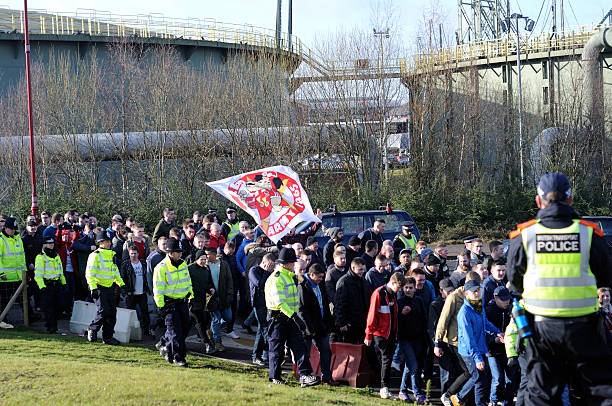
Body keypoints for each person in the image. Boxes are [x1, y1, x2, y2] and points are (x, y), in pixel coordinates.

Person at [506, 172, 612, 405]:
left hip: (542, 331)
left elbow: (514, 282)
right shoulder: (589, 234)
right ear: (570, 200)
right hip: (585, 329)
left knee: (542, 396)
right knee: (600, 392)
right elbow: (606, 277)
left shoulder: (525, 236)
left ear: (538, 201)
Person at [265, 247, 320, 387]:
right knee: (276, 350)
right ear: (285, 264)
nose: (293, 265)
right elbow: (280, 303)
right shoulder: (277, 279)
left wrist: (294, 317)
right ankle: (275, 377)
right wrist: (295, 317)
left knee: (299, 347)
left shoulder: (289, 276)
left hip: (289, 318)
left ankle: (305, 375)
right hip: (278, 319)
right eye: (291, 262)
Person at [452, 279, 503, 406]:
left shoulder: (479, 305)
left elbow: (485, 322)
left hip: (480, 347)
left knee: (480, 379)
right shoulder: (464, 313)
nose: (477, 293)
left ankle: (459, 398)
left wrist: (497, 332)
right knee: (479, 379)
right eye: (474, 291)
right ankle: (461, 398)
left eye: (478, 290)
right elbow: (469, 339)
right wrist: (477, 358)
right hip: (469, 351)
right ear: (466, 294)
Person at [435, 271, 482, 406]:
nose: (477, 291)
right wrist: (437, 342)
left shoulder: (475, 297)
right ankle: (449, 395)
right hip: (456, 340)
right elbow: (443, 320)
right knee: (469, 372)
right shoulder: (454, 297)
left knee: (467, 372)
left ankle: (457, 397)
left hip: (469, 340)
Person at [364, 271, 406, 400]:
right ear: (392, 283)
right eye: (398, 287)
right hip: (380, 332)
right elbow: (371, 315)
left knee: (385, 360)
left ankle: (384, 386)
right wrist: (368, 335)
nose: (399, 290)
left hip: (390, 333)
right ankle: (384, 387)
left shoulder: (393, 294)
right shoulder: (379, 293)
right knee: (386, 359)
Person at [153, 237, 193, 367]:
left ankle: (164, 343)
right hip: (169, 304)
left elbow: (187, 281)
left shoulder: (183, 264)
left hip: (182, 302)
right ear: (170, 253)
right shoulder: (161, 268)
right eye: (177, 252)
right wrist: (161, 306)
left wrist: (190, 294)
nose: (180, 254)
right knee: (175, 332)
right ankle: (178, 357)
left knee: (185, 327)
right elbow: (158, 288)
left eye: (180, 252)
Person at [297, 263, 337, 385]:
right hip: (308, 327)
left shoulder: (319, 285)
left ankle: (326, 377)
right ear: (312, 274)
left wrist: (328, 323)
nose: (321, 279)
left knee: (326, 350)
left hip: (320, 325)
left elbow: (323, 304)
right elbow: (302, 310)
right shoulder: (303, 286)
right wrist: (309, 329)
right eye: (319, 277)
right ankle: (305, 377)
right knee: (306, 353)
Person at [85, 230, 125, 346]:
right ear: (100, 243)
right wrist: (93, 288)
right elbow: (90, 273)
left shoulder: (111, 255)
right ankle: (93, 329)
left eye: (108, 241)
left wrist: (121, 284)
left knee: (112, 313)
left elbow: (115, 272)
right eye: (106, 241)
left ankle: (108, 337)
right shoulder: (95, 256)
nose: (108, 243)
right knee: (103, 311)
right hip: (99, 287)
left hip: (110, 288)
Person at [484, 286, 513, 406]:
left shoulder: (511, 310)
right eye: (503, 299)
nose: (507, 302)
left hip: (508, 350)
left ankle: (507, 402)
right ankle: (493, 400)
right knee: (498, 378)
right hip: (493, 351)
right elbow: (484, 332)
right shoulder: (489, 311)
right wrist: (495, 339)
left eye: (508, 299)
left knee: (510, 379)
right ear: (495, 299)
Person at [334, 257, 371, 344]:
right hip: (350, 324)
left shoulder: (363, 281)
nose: (363, 272)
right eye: (360, 269)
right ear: (353, 268)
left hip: (362, 322)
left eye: (363, 269)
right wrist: (342, 323)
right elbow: (339, 304)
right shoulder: (344, 282)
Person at [204, 246, 234, 351]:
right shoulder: (205, 266)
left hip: (224, 296)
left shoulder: (223, 264)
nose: (206, 257)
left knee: (228, 317)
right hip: (212, 298)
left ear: (214, 254)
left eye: (208, 255)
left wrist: (230, 293)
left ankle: (212, 330)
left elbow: (230, 279)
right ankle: (218, 342)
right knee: (216, 320)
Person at [429, 278, 455, 396]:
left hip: (454, 342)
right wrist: (437, 344)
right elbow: (433, 327)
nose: (450, 293)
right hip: (443, 343)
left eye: (452, 291)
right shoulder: (436, 305)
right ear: (441, 291)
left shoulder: (455, 301)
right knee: (446, 373)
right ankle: (445, 396)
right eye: (448, 291)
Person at [34, 236, 66, 334]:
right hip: (46, 285)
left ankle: (51, 325)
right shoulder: (40, 257)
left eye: (52, 243)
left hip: (57, 284)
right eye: (49, 243)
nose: (51, 245)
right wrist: (42, 286)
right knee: (49, 308)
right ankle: (52, 328)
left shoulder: (56, 256)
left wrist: (63, 282)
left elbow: (60, 271)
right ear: (44, 244)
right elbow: (38, 274)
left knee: (59, 307)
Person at [187, 249, 216, 354]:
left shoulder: (206, 270)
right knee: (200, 323)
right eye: (201, 259)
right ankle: (208, 344)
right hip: (192, 300)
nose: (203, 261)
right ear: (196, 259)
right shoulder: (190, 269)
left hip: (202, 300)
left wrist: (210, 288)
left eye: (205, 259)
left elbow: (208, 283)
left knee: (188, 324)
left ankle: (165, 341)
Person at [249, 252, 275, 365]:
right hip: (259, 303)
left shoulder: (270, 271)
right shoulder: (253, 271)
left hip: (268, 303)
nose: (270, 267)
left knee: (263, 329)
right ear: (263, 262)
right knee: (264, 328)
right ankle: (260, 354)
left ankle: (258, 355)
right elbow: (260, 284)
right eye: (269, 265)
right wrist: (267, 272)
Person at [120, 245, 151, 337]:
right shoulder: (125, 264)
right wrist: (124, 292)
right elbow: (122, 278)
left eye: (135, 253)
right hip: (131, 293)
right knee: (131, 312)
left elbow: (147, 277)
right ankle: (130, 331)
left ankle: (146, 331)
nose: (133, 255)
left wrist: (148, 289)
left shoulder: (143, 263)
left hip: (142, 292)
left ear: (138, 253)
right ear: (129, 254)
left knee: (145, 312)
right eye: (131, 254)